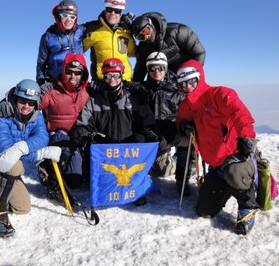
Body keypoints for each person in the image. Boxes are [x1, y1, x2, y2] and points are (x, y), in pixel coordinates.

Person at [175, 60, 259, 235]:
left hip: (236, 157)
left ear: (200, 78)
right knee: (204, 211)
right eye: (183, 84)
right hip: (216, 166)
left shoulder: (219, 94)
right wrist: (184, 127)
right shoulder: (186, 106)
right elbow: (179, 122)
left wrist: (247, 137)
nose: (188, 87)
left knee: (234, 173)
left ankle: (247, 204)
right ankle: (229, 185)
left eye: (192, 81)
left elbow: (240, 114)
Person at [0, 79, 60, 237]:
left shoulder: (36, 116)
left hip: (8, 165)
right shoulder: (0, 116)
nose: (26, 106)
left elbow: (42, 137)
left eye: (31, 103)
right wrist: (40, 154)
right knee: (15, 166)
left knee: (22, 208)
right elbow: (7, 154)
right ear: (15, 99)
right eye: (22, 101)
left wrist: (24, 147)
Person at [70, 58, 160, 205]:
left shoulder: (133, 98)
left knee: (139, 139)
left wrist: (149, 134)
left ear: (122, 76)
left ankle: (135, 190)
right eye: (108, 76)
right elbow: (82, 124)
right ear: (103, 77)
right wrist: (82, 134)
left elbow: (148, 122)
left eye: (116, 75)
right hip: (106, 150)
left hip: (129, 152)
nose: (112, 80)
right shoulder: (94, 100)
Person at [38, 52, 90, 201]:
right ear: (63, 71)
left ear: (83, 74)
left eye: (77, 73)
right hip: (57, 135)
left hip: (77, 136)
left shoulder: (87, 92)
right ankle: (46, 166)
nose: (73, 77)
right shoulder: (51, 91)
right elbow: (30, 104)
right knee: (64, 143)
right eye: (69, 72)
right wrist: (11, 99)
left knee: (75, 181)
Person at [139, 52, 191, 194]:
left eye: (160, 68)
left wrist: (186, 126)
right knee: (162, 172)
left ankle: (182, 179)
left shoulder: (178, 88)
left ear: (166, 68)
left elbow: (189, 108)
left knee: (188, 142)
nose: (157, 72)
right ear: (147, 70)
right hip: (154, 136)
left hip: (173, 131)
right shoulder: (142, 89)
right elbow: (139, 118)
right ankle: (168, 160)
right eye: (152, 68)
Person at [131, 12, 206, 82]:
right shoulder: (143, 49)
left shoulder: (178, 32)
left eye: (146, 31)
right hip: (160, 79)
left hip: (183, 75)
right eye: (141, 36)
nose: (146, 36)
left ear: (152, 25)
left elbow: (199, 53)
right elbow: (139, 71)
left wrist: (191, 75)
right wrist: (134, 89)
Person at [83, 0, 136, 81]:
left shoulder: (126, 31)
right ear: (105, 10)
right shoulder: (92, 29)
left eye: (117, 11)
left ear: (121, 13)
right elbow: (76, 50)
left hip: (125, 80)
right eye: (109, 9)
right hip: (102, 81)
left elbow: (133, 52)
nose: (113, 13)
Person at [36, 0, 85, 85]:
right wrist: (41, 83)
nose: (69, 20)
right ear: (59, 16)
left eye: (72, 17)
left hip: (76, 81)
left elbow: (100, 24)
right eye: (65, 15)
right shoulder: (48, 37)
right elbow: (41, 64)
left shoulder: (81, 31)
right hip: (55, 83)